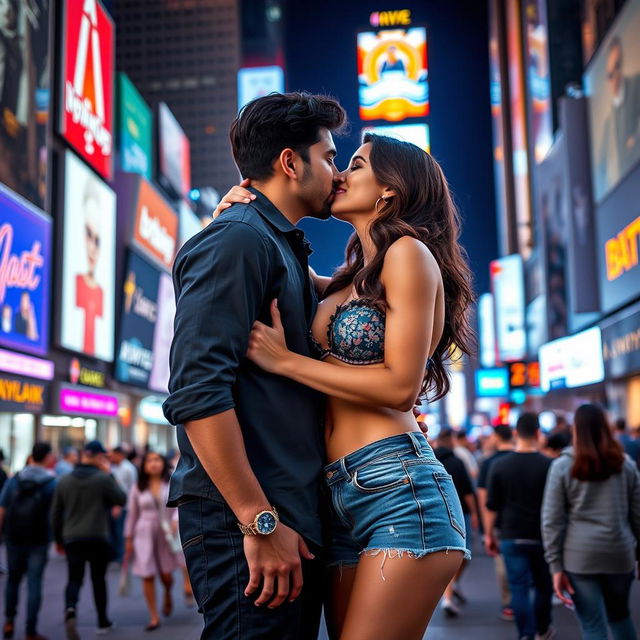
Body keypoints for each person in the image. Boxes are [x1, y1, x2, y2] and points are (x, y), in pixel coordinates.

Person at [222, 128, 475, 638]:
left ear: (389, 189)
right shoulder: (349, 279)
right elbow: (277, 264)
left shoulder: (409, 253)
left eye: (355, 165)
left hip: (399, 489)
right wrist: (236, 212)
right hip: (336, 494)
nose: (339, 174)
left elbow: (400, 386)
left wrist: (286, 361)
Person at [162, 92, 348, 640]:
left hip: (287, 511)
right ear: (291, 163)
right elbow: (197, 392)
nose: (337, 174)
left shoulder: (275, 241)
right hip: (244, 520)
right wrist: (258, 520)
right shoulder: (239, 240)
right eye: (330, 157)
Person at [542, 404, 640, 640]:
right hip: (620, 553)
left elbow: (552, 521)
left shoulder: (562, 465)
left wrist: (555, 566)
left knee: (592, 624)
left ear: (576, 430)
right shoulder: (625, 465)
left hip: (580, 557)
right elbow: (637, 514)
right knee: (620, 616)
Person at [485, 413, 554, 640]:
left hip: (511, 535)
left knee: (518, 588)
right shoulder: (550, 465)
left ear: (515, 433)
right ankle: (542, 630)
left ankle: (525, 634)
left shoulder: (499, 465)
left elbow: (492, 505)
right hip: (543, 536)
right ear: (538, 434)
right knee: (544, 586)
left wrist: (488, 535)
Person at [51, 440, 126, 639]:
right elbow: (121, 499)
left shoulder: (65, 480)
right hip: (97, 535)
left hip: (72, 536)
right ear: (99, 457)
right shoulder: (102, 478)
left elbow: (56, 513)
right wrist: (109, 473)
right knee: (98, 579)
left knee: (74, 578)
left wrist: (58, 539)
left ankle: (70, 609)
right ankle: (102, 621)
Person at [0, 443, 55, 640]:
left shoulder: (15, 479)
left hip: (14, 537)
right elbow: (55, 513)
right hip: (39, 539)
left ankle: (9, 622)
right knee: (34, 583)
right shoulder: (51, 482)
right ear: (48, 457)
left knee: (13, 581)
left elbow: (2, 507)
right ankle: (30, 630)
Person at [124, 451, 180, 631]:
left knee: (166, 574)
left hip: (166, 533)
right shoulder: (138, 487)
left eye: (157, 460)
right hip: (144, 532)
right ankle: (154, 616)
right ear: (144, 465)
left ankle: (168, 592)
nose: (153, 464)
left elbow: (180, 505)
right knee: (147, 574)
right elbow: (132, 514)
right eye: (149, 461)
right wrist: (129, 538)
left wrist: (175, 520)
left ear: (163, 463)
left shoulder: (171, 483)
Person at [433, 428, 479, 617]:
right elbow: (468, 491)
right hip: (460, 513)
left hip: (436, 512)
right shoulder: (458, 461)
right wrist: (475, 513)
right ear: (451, 441)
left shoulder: (430, 461)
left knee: (446, 555)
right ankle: (449, 595)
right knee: (464, 553)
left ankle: (451, 590)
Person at [595, 36, 640, 201]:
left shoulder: (637, 85)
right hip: (627, 195)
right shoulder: (609, 124)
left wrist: (635, 140)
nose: (615, 77)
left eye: (618, 67)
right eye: (609, 74)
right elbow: (600, 168)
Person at [477, 424, 514, 622]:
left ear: (497, 437)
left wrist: (486, 530)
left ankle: (509, 603)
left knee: (503, 565)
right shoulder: (523, 458)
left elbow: (484, 498)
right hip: (531, 524)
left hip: (501, 523)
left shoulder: (488, 463)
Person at [76, 181, 104, 357]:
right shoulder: (74, 283)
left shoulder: (101, 292)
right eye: (88, 234)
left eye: (98, 239)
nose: (93, 248)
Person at [109, 445, 138, 563]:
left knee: (121, 531)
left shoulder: (128, 468)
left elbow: (132, 488)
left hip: (124, 505)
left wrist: (121, 505)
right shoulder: (114, 467)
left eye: (113, 454)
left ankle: (122, 557)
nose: (111, 457)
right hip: (115, 503)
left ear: (120, 455)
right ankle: (117, 555)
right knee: (116, 531)